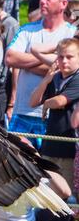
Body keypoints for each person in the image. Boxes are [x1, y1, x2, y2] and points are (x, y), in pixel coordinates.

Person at [6, 0, 76, 150]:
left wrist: (25, 64)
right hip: (22, 112)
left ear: (63, 4)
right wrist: (49, 61)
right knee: (17, 166)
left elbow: (65, 69)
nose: (42, 1)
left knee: (49, 167)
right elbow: (10, 58)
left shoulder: (71, 33)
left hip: (51, 115)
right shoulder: (27, 30)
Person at [30, 38, 79, 190]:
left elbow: (60, 101)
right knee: (50, 191)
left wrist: (46, 105)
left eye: (69, 57)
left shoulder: (77, 78)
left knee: (69, 193)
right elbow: (33, 102)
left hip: (70, 148)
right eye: (60, 56)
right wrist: (46, 79)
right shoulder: (55, 77)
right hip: (50, 146)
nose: (64, 61)